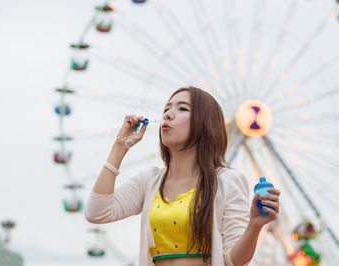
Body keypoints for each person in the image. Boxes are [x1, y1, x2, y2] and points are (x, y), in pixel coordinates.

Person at [85, 86, 280, 266]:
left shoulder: (227, 181)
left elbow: (233, 260)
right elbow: (97, 212)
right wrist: (120, 146)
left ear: (205, 123)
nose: (168, 114)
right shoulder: (149, 181)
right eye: (166, 109)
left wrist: (254, 226)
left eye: (182, 109)